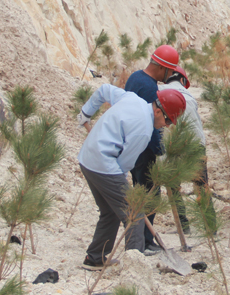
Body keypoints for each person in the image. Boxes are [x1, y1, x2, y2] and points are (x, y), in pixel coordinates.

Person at [76, 84, 186, 269]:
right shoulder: (143, 130)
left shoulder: (132, 99)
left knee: (111, 211)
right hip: (104, 165)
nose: (167, 125)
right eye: (168, 120)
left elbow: (104, 90)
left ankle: (95, 257)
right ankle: (134, 268)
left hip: (87, 159)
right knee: (134, 213)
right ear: (158, 111)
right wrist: (119, 184)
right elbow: (125, 163)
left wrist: (86, 112)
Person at [124, 44, 180, 253]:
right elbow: (153, 123)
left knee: (139, 190)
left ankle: (136, 239)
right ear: (162, 67)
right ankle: (144, 242)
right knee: (150, 194)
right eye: (170, 71)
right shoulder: (149, 88)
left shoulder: (134, 77)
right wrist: (159, 150)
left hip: (131, 143)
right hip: (143, 147)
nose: (171, 76)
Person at [158, 66, 210, 233]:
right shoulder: (190, 97)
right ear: (182, 80)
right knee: (201, 185)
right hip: (196, 143)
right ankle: (210, 226)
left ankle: (182, 225)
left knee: (173, 185)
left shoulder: (158, 92)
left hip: (171, 143)